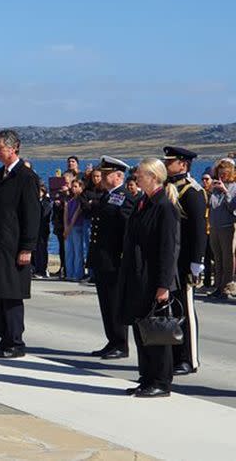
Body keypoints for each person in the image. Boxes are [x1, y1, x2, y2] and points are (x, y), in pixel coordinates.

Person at [119, 158, 180, 398]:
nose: (136, 179)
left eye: (141, 175)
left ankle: (161, 381)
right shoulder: (142, 202)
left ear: (154, 177)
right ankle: (146, 377)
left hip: (153, 277)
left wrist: (164, 285)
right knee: (141, 329)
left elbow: (168, 249)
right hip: (137, 275)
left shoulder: (164, 207)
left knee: (156, 331)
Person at [0, 130, 40, 358]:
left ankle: (15, 341)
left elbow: (32, 216)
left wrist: (27, 247)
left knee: (11, 293)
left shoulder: (26, 178)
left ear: (13, 148)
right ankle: (3, 338)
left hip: (14, 246)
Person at [163, 146, 206, 376]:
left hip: (185, 259)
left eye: (170, 161)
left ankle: (190, 358)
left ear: (183, 164)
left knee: (186, 310)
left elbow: (199, 230)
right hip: (171, 259)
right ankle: (175, 354)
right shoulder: (168, 188)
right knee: (172, 309)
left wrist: (196, 262)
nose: (166, 164)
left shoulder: (192, 191)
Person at [86, 156, 135, 360]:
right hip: (102, 258)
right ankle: (112, 340)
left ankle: (121, 344)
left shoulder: (125, 197)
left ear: (118, 176)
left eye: (106, 174)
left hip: (115, 260)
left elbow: (127, 231)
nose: (103, 178)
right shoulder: (107, 196)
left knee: (115, 303)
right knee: (106, 303)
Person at [205, 158, 236, 301]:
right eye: (220, 173)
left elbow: (232, 207)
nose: (222, 176)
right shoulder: (216, 187)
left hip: (227, 226)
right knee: (217, 258)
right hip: (214, 226)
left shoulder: (234, 187)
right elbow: (210, 205)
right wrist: (211, 191)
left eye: (224, 174)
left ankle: (227, 286)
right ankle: (217, 286)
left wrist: (225, 192)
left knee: (227, 257)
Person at [64, 179, 86, 281]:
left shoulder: (81, 199)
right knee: (69, 251)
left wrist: (70, 226)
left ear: (81, 188)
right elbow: (66, 213)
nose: (74, 188)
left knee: (78, 251)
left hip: (77, 226)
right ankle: (69, 273)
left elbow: (76, 214)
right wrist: (66, 228)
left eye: (76, 186)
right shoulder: (70, 200)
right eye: (73, 186)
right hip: (69, 227)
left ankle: (78, 274)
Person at [33, 183, 52, 278]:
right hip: (35, 229)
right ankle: (37, 268)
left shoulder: (46, 203)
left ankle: (42, 269)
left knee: (42, 249)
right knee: (36, 250)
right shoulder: (35, 201)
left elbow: (45, 215)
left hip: (43, 229)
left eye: (40, 191)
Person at [201, 168, 214, 290]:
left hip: (212, 228)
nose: (204, 181)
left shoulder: (213, 193)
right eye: (203, 179)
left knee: (214, 256)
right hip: (204, 229)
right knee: (206, 257)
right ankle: (206, 281)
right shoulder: (200, 193)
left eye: (207, 179)